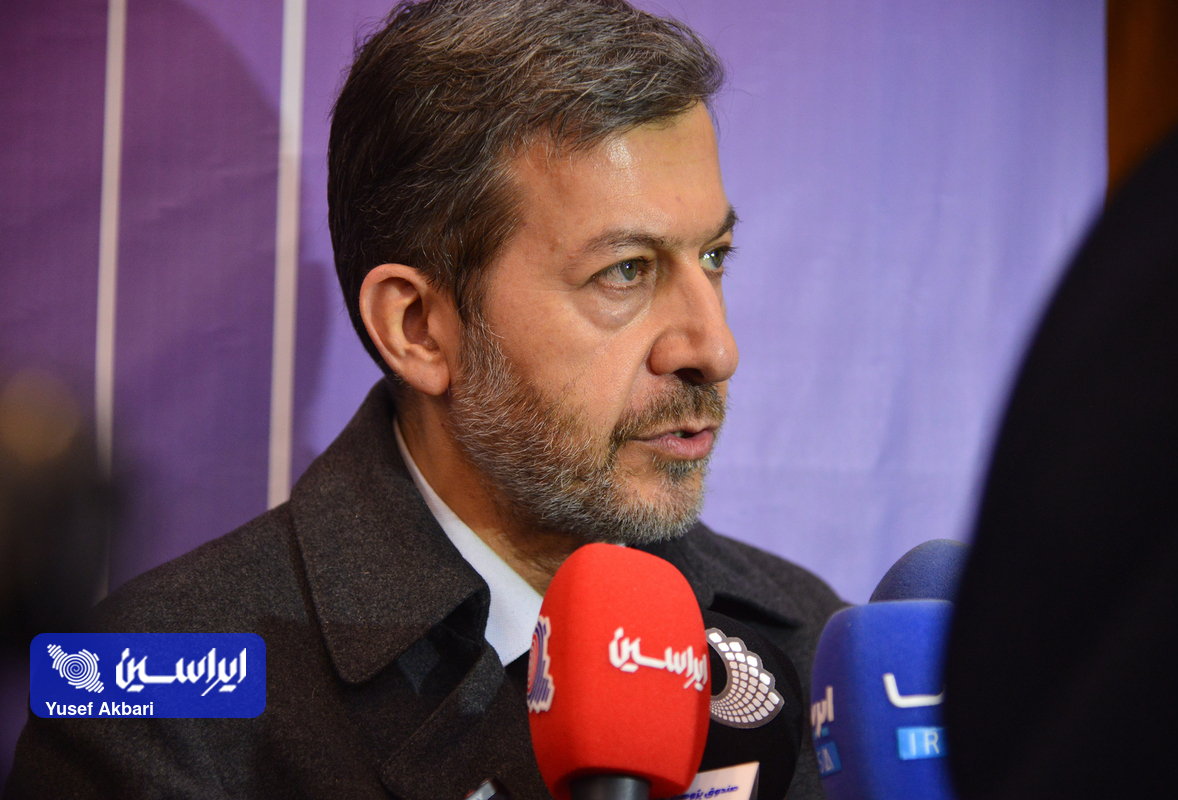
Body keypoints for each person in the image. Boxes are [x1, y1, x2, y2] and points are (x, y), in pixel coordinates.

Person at [6, 1, 843, 797]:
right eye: (625, 270)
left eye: (714, 257)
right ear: (418, 329)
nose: (715, 349)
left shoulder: (809, 653)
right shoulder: (148, 703)